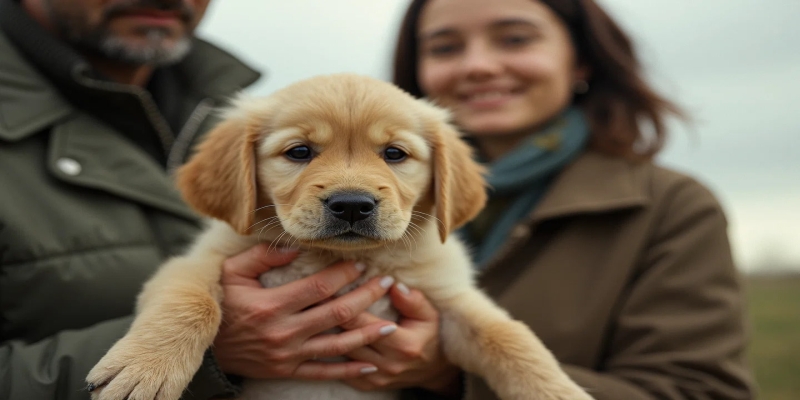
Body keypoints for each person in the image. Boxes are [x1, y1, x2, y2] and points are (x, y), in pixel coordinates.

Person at [339, 0, 754, 398]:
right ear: (419, 69)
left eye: (515, 39)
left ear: (580, 59)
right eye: (445, 47)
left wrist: (453, 373)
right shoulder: (326, 199)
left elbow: (702, 392)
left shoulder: (671, 207)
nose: (478, 65)